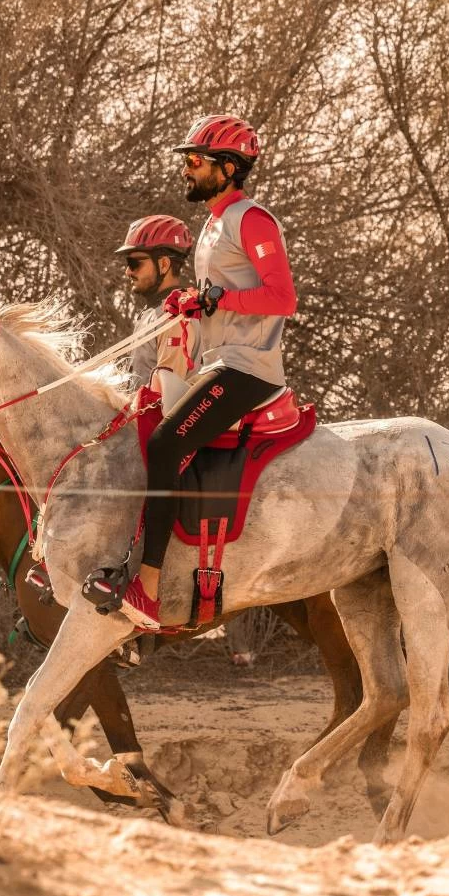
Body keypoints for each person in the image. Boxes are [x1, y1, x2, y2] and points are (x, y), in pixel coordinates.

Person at [119, 115, 297, 630]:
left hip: (249, 369)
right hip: (218, 363)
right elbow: (224, 304)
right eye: (185, 160)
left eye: (194, 161)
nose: (186, 170)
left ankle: (149, 587)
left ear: (228, 167)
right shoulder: (213, 226)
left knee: (167, 444)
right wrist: (194, 302)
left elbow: (282, 297)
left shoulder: (252, 220)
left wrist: (217, 297)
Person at [113, 214, 199, 411]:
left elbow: (168, 403)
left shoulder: (176, 317)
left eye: (134, 263)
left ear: (163, 265)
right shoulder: (151, 313)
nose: (128, 271)